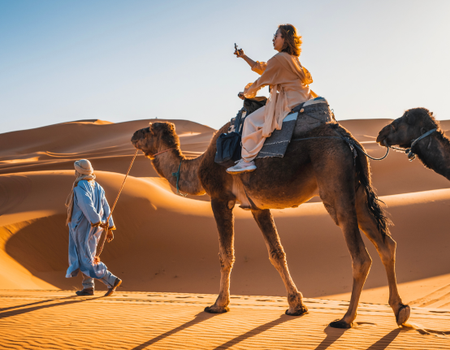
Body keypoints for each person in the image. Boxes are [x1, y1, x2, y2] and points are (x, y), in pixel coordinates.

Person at [227, 24, 318, 174]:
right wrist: (243, 56)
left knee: (250, 120)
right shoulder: (292, 58)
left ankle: (246, 161)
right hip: (303, 98)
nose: (273, 39)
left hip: (288, 102)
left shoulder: (280, 58)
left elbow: (262, 80)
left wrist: (247, 93)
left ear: (285, 38)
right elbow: (263, 67)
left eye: (276, 35)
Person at [65, 159, 122, 296]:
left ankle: (111, 279)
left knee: (85, 258)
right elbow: (106, 208)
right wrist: (109, 227)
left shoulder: (80, 186)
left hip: (83, 226)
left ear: (79, 171)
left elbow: (86, 204)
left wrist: (95, 221)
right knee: (85, 255)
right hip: (96, 227)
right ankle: (88, 287)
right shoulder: (97, 186)